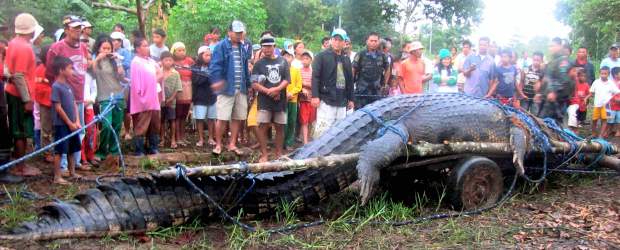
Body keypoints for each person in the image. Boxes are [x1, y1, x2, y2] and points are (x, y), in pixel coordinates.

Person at [46, 15, 92, 171]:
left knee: (79, 129)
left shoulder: (83, 48)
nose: (78, 31)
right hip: (63, 94)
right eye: (75, 28)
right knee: (64, 130)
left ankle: (76, 163)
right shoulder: (57, 48)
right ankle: (63, 167)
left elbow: (85, 68)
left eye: (80, 28)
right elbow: (49, 71)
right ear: (67, 30)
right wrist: (59, 88)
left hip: (78, 94)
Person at [5, 13, 40, 177]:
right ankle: (20, 166)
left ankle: (19, 163)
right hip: (20, 94)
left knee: (17, 128)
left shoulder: (13, 43)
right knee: (20, 130)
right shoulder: (24, 47)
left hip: (13, 91)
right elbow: (19, 76)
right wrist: (27, 99)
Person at [209, 20, 251, 155]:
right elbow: (215, 66)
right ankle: (218, 145)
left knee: (238, 117)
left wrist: (248, 84)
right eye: (236, 33)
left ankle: (232, 144)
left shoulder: (242, 47)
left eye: (240, 33)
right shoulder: (221, 46)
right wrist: (216, 81)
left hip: (241, 87)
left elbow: (245, 67)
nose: (239, 35)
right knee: (222, 118)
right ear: (229, 32)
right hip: (227, 88)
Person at [251, 34, 290, 162]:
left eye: (269, 46)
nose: (267, 49)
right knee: (263, 126)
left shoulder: (283, 61)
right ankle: (264, 154)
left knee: (280, 127)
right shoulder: (258, 64)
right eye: (264, 47)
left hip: (280, 99)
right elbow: (254, 83)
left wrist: (277, 89)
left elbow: (286, 79)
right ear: (261, 48)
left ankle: (278, 153)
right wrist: (268, 91)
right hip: (264, 100)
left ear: (274, 46)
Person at [311, 28, 354, 138]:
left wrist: (351, 99)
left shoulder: (346, 59)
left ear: (345, 43)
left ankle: (335, 154)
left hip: (342, 100)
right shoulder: (321, 56)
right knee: (323, 131)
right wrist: (315, 96)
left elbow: (349, 80)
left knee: (339, 132)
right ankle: (318, 153)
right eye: (335, 39)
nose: (337, 42)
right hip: (326, 99)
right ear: (331, 40)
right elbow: (315, 76)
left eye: (340, 40)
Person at [92, 36, 125, 165]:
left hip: (118, 95)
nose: (106, 50)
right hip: (104, 97)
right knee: (106, 125)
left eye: (109, 48)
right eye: (104, 48)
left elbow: (121, 76)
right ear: (98, 48)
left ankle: (114, 152)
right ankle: (101, 151)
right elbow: (93, 72)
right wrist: (97, 59)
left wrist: (118, 62)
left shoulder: (114, 61)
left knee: (117, 125)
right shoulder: (97, 61)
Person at [50, 56, 82, 185]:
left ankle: (72, 172)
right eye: (70, 68)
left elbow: (74, 104)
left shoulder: (68, 86)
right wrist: (69, 122)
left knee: (72, 148)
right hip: (61, 124)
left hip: (72, 124)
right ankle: (57, 176)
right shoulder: (56, 87)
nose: (72, 71)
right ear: (60, 70)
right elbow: (58, 107)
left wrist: (77, 120)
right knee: (60, 150)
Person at [130, 37, 162, 155]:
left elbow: (160, 74)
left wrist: (154, 79)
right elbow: (136, 82)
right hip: (143, 97)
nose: (147, 48)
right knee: (142, 123)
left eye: (148, 45)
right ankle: (139, 149)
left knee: (155, 122)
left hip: (153, 96)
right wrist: (154, 79)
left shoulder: (151, 61)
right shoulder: (136, 62)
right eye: (144, 45)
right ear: (138, 48)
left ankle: (153, 146)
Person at [352, 32, 389, 109]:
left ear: (378, 42)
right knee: (360, 115)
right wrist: (351, 84)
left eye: (375, 41)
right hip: (362, 91)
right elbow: (353, 69)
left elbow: (387, 68)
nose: (373, 43)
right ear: (367, 41)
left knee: (375, 114)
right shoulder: (360, 54)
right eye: (371, 40)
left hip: (376, 91)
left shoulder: (382, 55)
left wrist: (385, 84)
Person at [541, 37, 573, 123]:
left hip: (557, 100)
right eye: (549, 46)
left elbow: (564, 80)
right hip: (549, 99)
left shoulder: (562, 61)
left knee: (553, 125)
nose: (550, 48)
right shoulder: (553, 61)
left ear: (559, 46)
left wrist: (554, 92)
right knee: (545, 123)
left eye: (552, 46)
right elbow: (549, 78)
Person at [192, 46, 217, 147]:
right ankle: (201, 139)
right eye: (206, 55)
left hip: (212, 96)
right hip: (199, 97)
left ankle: (211, 138)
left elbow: (215, 80)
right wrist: (205, 75)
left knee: (211, 118)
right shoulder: (195, 67)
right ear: (200, 55)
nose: (209, 57)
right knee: (200, 119)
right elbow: (196, 81)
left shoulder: (214, 66)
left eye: (210, 55)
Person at [170, 42, 194, 146]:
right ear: (174, 52)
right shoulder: (172, 62)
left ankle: (183, 137)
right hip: (178, 92)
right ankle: (177, 137)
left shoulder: (189, 61)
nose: (181, 52)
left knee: (184, 115)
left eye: (183, 50)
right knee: (177, 115)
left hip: (188, 91)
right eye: (179, 50)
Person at [586, 67, 618, 137]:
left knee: (604, 120)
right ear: (599, 73)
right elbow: (591, 92)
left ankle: (601, 135)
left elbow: (617, 92)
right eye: (602, 73)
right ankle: (593, 133)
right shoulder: (596, 82)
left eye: (605, 74)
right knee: (594, 119)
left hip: (606, 105)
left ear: (608, 74)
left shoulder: (611, 83)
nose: (603, 75)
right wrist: (586, 98)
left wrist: (612, 98)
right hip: (597, 104)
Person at [159, 51, 182, 148]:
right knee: (162, 120)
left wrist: (172, 98)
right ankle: (162, 139)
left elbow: (178, 88)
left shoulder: (175, 73)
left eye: (170, 60)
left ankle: (173, 139)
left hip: (172, 102)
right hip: (160, 101)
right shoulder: (158, 72)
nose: (168, 62)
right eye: (166, 60)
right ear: (161, 61)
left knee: (172, 120)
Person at [281, 49, 302, 148]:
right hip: (282, 99)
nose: (286, 58)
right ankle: (281, 142)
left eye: (288, 56)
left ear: (292, 58)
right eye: (284, 56)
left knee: (292, 121)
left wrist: (291, 93)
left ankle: (289, 142)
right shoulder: (280, 69)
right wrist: (285, 94)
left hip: (293, 100)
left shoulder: (296, 70)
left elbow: (299, 85)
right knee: (282, 122)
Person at [298, 50, 315, 145]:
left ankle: (307, 139)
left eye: (307, 58)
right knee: (304, 121)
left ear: (311, 60)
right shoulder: (299, 71)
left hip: (312, 99)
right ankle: (305, 142)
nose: (305, 60)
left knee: (310, 121)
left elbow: (315, 85)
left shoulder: (313, 72)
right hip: (303, 100)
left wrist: (304, 84)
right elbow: (296, 84)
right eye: (303, 58)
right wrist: (303, 87)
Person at [567, 68, 590, 133]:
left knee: (578, 115)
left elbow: (589, 93)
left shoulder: (585, 85)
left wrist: (585, 98)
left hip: (580, 103)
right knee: (575, 114)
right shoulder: (575, 82)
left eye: (584, 76)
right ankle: (574, 127)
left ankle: (575, 128)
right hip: (575, 102)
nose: (583, 77)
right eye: (581, 76)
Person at [607, 67, 620, 137]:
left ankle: (618, 131)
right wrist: (615, 99)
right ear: (615, 75)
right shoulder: (611, 83)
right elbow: (609, 93)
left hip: (619, 106)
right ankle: (610, 130)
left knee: (619, 119)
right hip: (612, 105)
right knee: (610, 119)